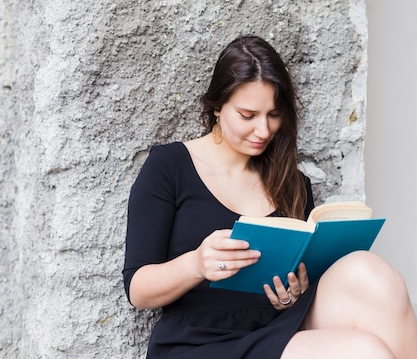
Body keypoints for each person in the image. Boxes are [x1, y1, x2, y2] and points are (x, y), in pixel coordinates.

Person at [123, 35, 417, 358]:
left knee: (373, 274)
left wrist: (293, 292)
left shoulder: (290, 182)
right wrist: (196, 263)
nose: (263, 131)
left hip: (279, 326)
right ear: (218, 107)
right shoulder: (170, 166)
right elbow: (138, 290)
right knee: (365, 351)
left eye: (273, 115)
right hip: (200, 341)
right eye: (248, 116)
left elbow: (301, 281)